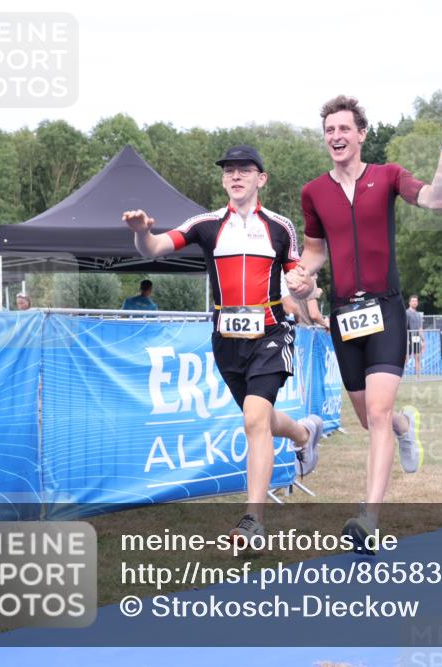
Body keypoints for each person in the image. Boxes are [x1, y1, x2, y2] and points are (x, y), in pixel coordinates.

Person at [286, 95, 442, 551]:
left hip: (386, 310)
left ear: (361, 133)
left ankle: (369, 518)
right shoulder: (314, 192)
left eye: (344, 129)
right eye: (329, 130)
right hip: (345, 317)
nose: (336, 137)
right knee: (373, 420)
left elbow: (434, 198)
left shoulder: (386, 176)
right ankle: (408, 426)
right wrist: (303, 275)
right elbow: (315, 249)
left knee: (379, 413)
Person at [123, 144, 323, 544]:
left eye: (244, 170)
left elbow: (302, 279)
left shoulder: (279, 227)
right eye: (229, 171)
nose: (235, 176)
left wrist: (308, 286)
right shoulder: (206, 224)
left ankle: (253, 521)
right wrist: (143, 232)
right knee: (261, 420)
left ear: (260, 179)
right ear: (222, 180)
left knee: (253, 419)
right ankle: (303, 434)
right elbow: (157, 248)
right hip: (226, 339)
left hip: (271, 331)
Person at [405, 294, 425, 377]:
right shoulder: (406, 313)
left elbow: (420, 328)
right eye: (412, 301)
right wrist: (406, 340)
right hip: (409, 337)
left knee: (417, 357)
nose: (414, 302)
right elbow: (404, 327)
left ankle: (418, 376)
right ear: (409, 303)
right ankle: (400, 375)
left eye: (415, 301)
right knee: (407, 357)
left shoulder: (418, 314)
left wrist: (423, 340)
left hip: (416, 337)